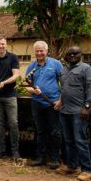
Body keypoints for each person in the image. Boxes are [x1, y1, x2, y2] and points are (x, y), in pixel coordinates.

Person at [55, 46, 91, 181]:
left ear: (81, 54)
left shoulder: (86, 68)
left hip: (79, 111)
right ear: (66, 56)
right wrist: (60, 102)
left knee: (80, 140)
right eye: (70, 54)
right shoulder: (64, 69)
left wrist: (86, 107)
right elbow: (64, 89)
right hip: (64, 110)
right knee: (68, 140)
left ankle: (87, 170)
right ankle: (72, 166)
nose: (72, 55)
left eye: (75, 53)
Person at [25, 41, 63, 169]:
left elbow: (64, 84)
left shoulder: (56, 64)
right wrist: (33, 90)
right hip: (37, 103)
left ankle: (54, 159)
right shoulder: (31, 67)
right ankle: (40, 158)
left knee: (55, 132)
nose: (39, 53)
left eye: (42, 51)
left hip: (53, 104)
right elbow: (27, 87)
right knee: (40, 131)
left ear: (47, 51)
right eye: (37, 51)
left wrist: (60, 101)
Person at [0, 36, 21, 160]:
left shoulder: (13, 57)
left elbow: (16, 75)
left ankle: (15, 152)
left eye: (2, 44)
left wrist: (3, 83)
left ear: (6, 45)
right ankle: (1, 150)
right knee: (0, 124)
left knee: (13, 123)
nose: (0, 46)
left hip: (10, 96)